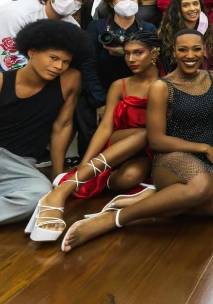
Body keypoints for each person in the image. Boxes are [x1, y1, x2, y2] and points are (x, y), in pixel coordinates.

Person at [60, 29, 213, 252]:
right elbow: (155, 140)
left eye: (196, 49)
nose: (189, 55)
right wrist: (204, 147)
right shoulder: (162, 86)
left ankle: (151, 202)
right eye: (182, 49)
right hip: (172, 157)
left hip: (207, 159)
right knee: (200, 188)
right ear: (173, 52)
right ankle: (113, 219)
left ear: (205, 50)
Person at [0, 19, 89, 237]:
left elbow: (62, 125)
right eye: (53, 58)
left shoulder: (69, 80)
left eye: (65, 62)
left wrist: (57, 175)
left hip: (20, 167)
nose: (59, 66)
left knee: (40, 194)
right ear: (32, 52)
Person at [48, 32, 163, 210]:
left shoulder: (168, 84)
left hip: (152, 149)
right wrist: (84, 163)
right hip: (122, 138)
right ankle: (78, 179)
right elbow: (105, 127)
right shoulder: (120, 85)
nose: (131, 59)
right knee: (146, 132)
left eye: (138, 53)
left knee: (129, 177)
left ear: (154, 53)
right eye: (127, 53)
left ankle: (105, 179)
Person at [82, 0, 157, 113]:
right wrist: (101, 102)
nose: (127, 2)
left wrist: (125, 53)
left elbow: (153, 65)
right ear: (111, 3)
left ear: (138, 2)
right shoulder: (97, 27)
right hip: (101, 94)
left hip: (138, 96)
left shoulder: (148, 29)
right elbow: (88, 66)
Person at [159, 0, 213, 73]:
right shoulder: (168, 30)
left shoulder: (210, 29)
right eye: (186, 5)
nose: (192, 8)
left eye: (195, 4)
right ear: (178, 8)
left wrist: (208, 80)